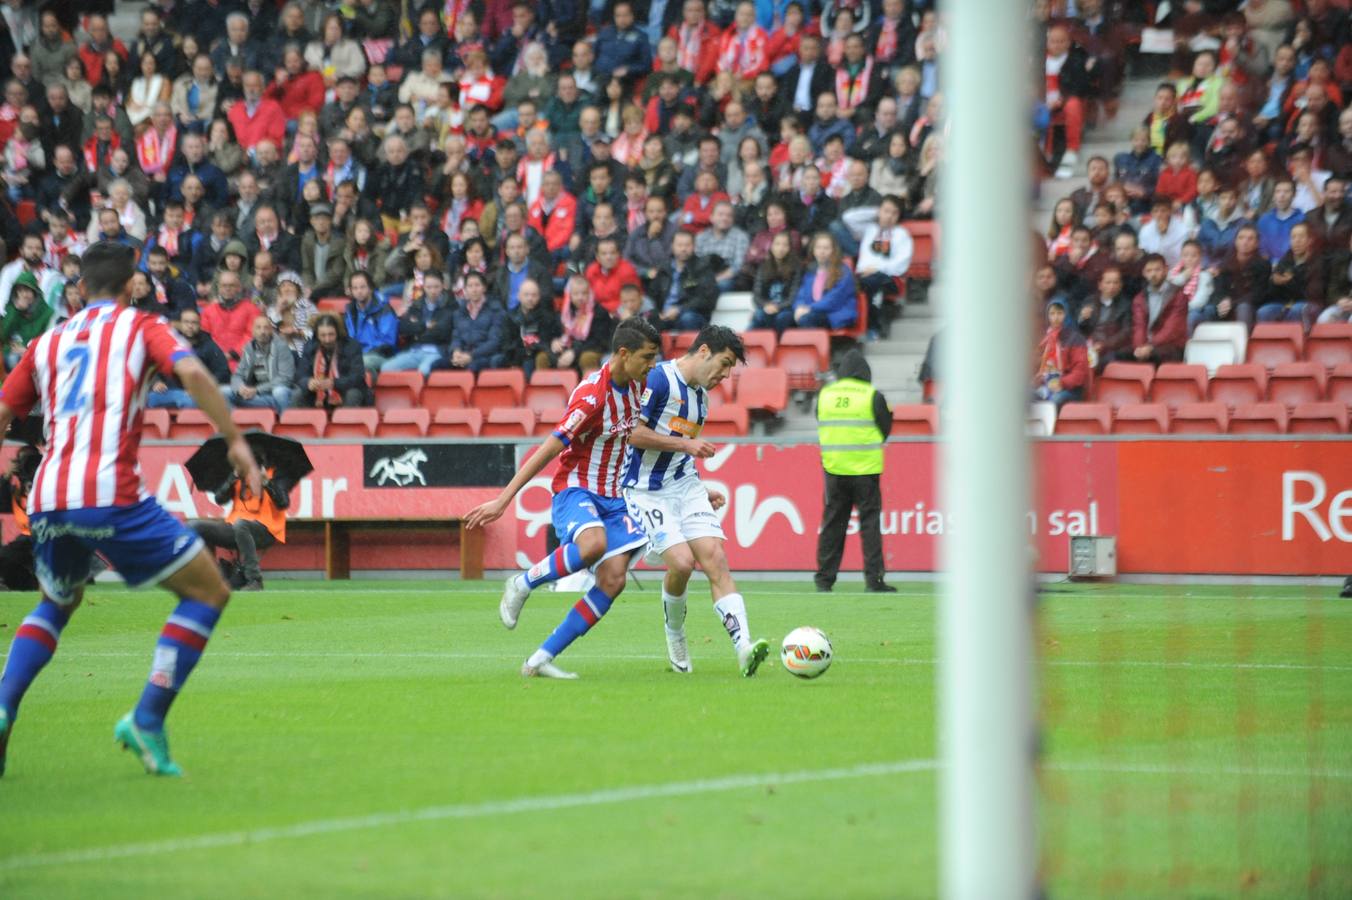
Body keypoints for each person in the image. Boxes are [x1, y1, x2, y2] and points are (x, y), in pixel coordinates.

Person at [0, 240, 262, 778]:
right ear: (131, 285)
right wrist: (234, 439)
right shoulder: (141, 327)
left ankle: (3, 704)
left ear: (79, 289)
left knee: (56, 602)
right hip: (108, 491)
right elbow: (191, 373)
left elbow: (5, 409)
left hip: (49, 495)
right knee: (208, 589)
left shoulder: (47, 342)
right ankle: (147, 717)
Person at [465, 317, 662, 680]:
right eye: (648, 357)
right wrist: (503, 500)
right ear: (623, 353)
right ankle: (522, 583)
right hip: (576, 488)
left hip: (613, 497)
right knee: (592, 545)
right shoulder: (591, 397)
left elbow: (633, 435)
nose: (653, 365)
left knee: (614, 579)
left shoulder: (639, 384)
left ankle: (540, 658)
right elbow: (548, 449)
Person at [622, 325, 771, 676]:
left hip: (684, 486)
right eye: (724, 363)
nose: (725, 374)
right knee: (683, 563)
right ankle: (675, 635)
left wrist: (700, 488)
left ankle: (744, 648)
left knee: (716, 559)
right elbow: (632, 433)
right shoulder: (658, 380)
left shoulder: (700, 398)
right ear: (703, 351)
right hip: (645, 490)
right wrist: (687, 445)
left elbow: (678, 453)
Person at [814, 349, 894, 594]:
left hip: (834, 470)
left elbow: (821, 423)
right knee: (869, 526)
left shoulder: (825, 395)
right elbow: (885, 429)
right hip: (865, 471)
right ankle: (874, 581)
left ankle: (824, 580)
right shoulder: (872, 396)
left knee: (832, 526)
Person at [191, 465, 291, 592]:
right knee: (195, 526)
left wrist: (266, 482)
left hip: (267, 529)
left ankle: (254, 580)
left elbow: (282, 502)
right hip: (235, 526)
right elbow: (220, 499)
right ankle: (210, 577)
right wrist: (233, 477)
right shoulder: (239, 473)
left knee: (241, 525)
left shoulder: (277, 474)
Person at [385, 272, 455, 376]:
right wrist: (426, 326)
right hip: (415, 349)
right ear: (424, 287)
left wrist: (417, 333)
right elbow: (403, 327)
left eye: (436, 287)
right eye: (429, 287)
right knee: (386, 368)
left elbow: (443, 331)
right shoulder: (417, 304)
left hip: (437, 351)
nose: (433, 291)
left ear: (443, 286)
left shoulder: (451, 305)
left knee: (423, 371)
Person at [296, 314, 371, 409]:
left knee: (353, 394)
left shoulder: (352, 346)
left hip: (345, 391)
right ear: (317, 336)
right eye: (323, 335)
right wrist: (308, 382)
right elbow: (300, 374)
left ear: (338, 333)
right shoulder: (310, 347)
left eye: (331, 335)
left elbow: (357, 376)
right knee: (298, 394)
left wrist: (334, 383)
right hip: (317, 393)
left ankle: (345, 423)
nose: (327, 340)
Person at [231, 316, 295, 413]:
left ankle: (286, 424)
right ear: (252, 330)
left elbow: (285, 378)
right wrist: (240, 388)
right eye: (258, 327)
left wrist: (257, 390)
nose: (262, 332)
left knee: (279, 392)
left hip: (274, 392)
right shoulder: (249, 348)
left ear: (271, 330)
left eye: (266, 328)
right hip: (255, 394)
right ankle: (235, 425)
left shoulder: (281, 347)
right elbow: (237, 375)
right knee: (223, 392)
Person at [1033, 299, 1090, 409]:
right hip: (1047, 386)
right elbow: (1040, 366)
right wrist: (1038, 378)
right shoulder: (1045, 339)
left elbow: (1080, 373)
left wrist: (1061, 383)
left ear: (1067, 315)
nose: (1055, 318)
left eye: (1060, 313)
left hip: (1070, 389)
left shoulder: (1076, 339)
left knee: (1054, 400)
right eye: (1052, 314)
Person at [0, 444, 39, 591]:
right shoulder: (17, 488)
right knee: (5, 558)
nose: (29, 463)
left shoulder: (49, 477)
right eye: (24, 459)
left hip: (49, 532)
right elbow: (2, 505)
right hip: (27, 536)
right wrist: (7, 476)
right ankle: (29, 585)